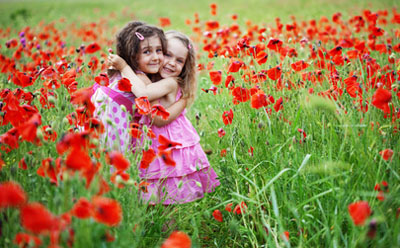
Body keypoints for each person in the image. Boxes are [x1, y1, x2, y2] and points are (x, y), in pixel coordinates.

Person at [109, 30, 220, 205]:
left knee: (167, 194)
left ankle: (168, 230)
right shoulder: (152, 79)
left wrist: (124, 67)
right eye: (167, 55)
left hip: (166, 145)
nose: (171, 63)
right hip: (151, 143)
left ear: (185, 66)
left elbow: (157, 116)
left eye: (179, 60)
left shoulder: (171, 83)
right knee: (150, 192)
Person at [91, 21, 186, 152]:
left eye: (159, 50)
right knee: (112, 158)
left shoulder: (131, 72)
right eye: (147, 52)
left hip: (105, 115)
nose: (155, 57)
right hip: (111, 116)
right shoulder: (136, 75)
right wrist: (123, 66)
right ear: (133, 56)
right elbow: (144, 94)